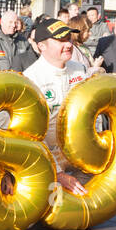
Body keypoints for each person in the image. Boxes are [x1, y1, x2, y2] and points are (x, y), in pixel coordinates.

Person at [23, 18, 96, 195]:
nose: (68, 45)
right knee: (53, 209)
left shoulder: (79, 69)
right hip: (45, 157)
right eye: (61, 40)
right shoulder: (30, 79)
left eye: (69, 39)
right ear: (42, 46)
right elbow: (31, 135)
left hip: (75, 152)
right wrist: (58, 173)